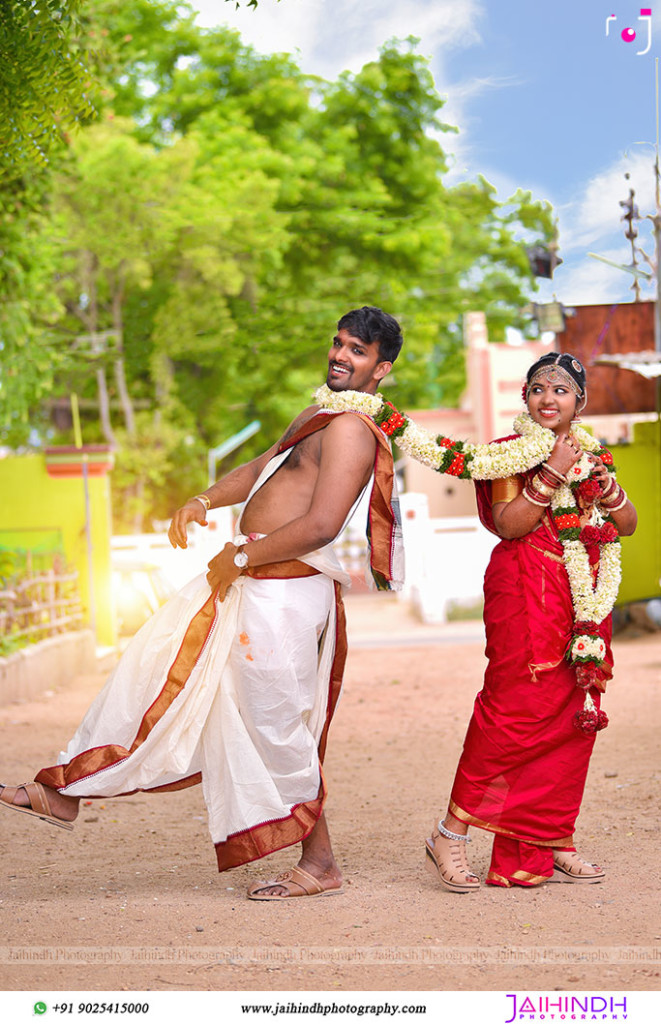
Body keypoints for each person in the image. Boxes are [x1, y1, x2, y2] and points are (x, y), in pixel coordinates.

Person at [0, 306, 404, 901]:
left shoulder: (350, 429)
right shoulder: (323, 411)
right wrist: (204, 498)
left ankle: (320, 863)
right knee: (155, 669)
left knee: (272, 723)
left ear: (382, 369)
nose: (340, 356)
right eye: (338, 344)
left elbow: (322, 524)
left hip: (283, 588)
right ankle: (66, 791)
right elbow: (263, 465)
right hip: (251, 578)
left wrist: (241, 559)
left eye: (357, 351)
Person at [425, 352, 637, 892]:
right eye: (538, 388)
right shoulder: (506, 454)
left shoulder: (593, 455)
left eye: (561, 390)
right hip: (524, 593)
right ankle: (450, 834)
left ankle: (552, 838)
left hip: (582, 599)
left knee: (574, 716)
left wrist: (600, 483)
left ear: (580, 402)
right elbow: (509, 523)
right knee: (509, 711)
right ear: (524, 397)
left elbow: (628, 523)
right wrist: (551, 474)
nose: (549, 398)